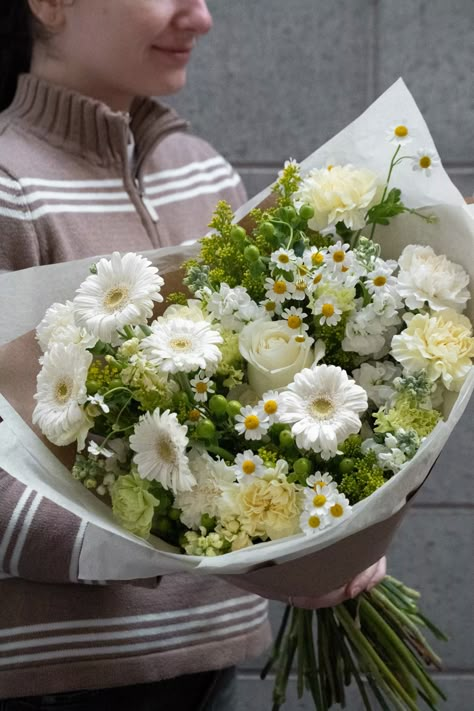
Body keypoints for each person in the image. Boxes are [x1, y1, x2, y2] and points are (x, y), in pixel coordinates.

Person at [0, 1, 386, 708]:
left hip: (214, 663)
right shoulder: (8, 186)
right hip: (65, 679)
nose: (200, 16)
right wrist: (202, 548)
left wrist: (334, 525)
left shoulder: (203, 174)